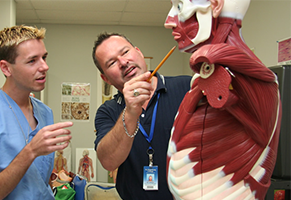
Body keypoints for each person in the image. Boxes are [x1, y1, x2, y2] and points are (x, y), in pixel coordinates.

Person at [164, 0, 281, 199]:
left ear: (216, 5)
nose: (169, 21)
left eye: (180, 6)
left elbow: (262, 134)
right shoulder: (203, 77)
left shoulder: (257, 80)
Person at [0, 25, 73, 200]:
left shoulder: (45, 112)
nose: (44, 67)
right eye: (32, 61)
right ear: (6, 68)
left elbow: (40, 180)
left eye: (44, 57)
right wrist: (30, 151)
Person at [92, 32, 191, 199]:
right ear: (105, 78)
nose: (123, 62)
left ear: (138, 52)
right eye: (112, 63)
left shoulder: (186, 87)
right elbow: (108, 161)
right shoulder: (107, 111)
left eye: (125, 52)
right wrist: (130, 111)